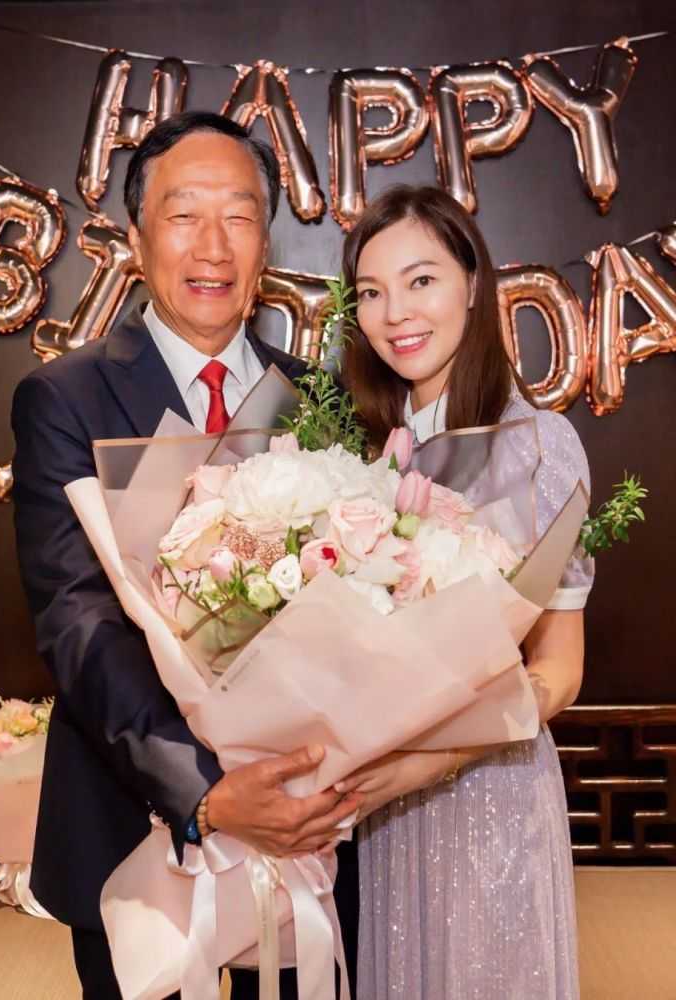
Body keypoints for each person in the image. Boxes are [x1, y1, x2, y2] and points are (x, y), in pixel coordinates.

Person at [11, 111, 360, 1000]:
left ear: (265, 245)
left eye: (239, 217)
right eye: (184, 214)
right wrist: (205, 793)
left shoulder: (316, 398)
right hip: (131, 824)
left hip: (302, 827)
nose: (213, 245)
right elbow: (78, 619)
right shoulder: (66, 398)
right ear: (136, 241)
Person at [333, 184, 593, 1000]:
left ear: (473, 284)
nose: (395, 314)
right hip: (382, 811)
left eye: (421, 281)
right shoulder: (357, 457)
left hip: (490, 796)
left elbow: (560, 669)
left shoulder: (536, 446)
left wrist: (436, 759)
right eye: (371, 292)